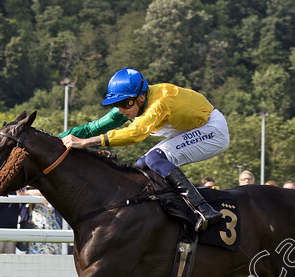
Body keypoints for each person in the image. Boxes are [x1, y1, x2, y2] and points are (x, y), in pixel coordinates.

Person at [60, 67, 229, 232]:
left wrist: (86, 143)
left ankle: (203, 209)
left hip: (212, 129)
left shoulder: (159, 103)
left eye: (125, 103)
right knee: (142, 164)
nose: (121, 110)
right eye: (116, 104)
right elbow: (92, 128)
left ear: (141, 97)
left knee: (155, 159)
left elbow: (136, 133)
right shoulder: (130, 106)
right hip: (191, 128)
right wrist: (55, 140)